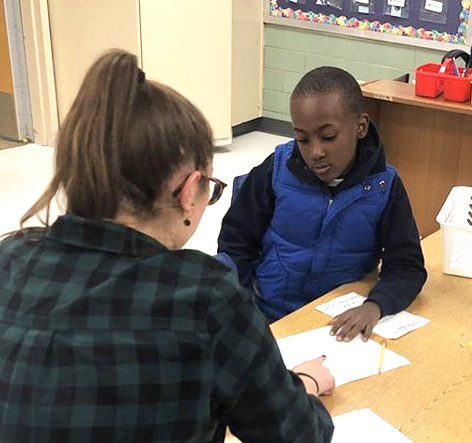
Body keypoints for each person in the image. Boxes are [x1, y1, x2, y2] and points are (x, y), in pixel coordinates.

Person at [0, 50, 334, 442]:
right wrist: (305, 383)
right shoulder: (205, 297)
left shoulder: (10, 260)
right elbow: (298, 435)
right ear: (189, 192)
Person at [217, 67, 427, 341]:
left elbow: (406, 266)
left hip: (339, 326)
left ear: (360, 127)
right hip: (270, 315)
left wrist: (375, 306)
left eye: (328, 137)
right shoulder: (275, 170)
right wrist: (239, 312)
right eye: (302, 139)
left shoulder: (384, 187)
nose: (315, 152)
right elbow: (236, 245)